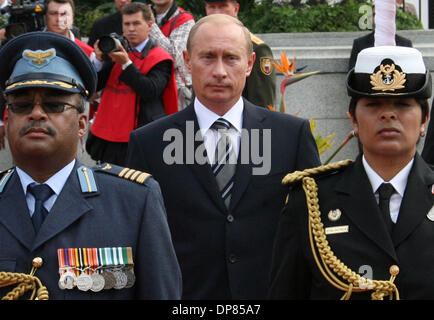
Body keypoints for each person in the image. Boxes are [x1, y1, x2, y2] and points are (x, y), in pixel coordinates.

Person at [126, 14, 320, 300]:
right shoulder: (149, 143)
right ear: (187, 61)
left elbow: (313, 232)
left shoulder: (290, 135)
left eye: (231, 58)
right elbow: (139, 240)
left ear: (250, 64)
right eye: (207, 57)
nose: (219, 71)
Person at [0, 31, 181, 299]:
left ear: (82, 125)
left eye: (54, 105)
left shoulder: (133, 201)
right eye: (22, 105)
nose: (36, 113)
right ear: (7, 120)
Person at [268, 45, 434, 299]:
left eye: (402, 104)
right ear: (353, 120)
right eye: (373, 105)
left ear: (424, 120)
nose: (388, 114)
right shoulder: (312, 200)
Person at [86, 2, 178, 167]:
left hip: (141, 134)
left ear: (149, 25)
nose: (131, 29)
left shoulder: (160, 57)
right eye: (126, 24)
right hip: (110, 136)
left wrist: (126, 64)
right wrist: (99, 61)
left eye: (136, 23)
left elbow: (150, 90)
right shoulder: (118, 51)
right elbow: (94, 87)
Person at [204, 0, 276, 109]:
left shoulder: (257, 48)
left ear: (236, 9)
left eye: (223, 6)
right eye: (212, 7)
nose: (217, 13)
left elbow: (262, 102)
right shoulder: (201, 44)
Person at [149, 0, 194, 110]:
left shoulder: (185, 20)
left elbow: (175, 57)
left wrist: (151, 25)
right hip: (149, 89)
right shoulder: (140, 14)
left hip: (176, 95)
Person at [348, 5, 412, 71]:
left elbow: (412, 72)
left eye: (384, 14)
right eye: (376, 14)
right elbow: (353, 73)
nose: (380, 18)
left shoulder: (406, 45)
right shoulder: (359, 44)